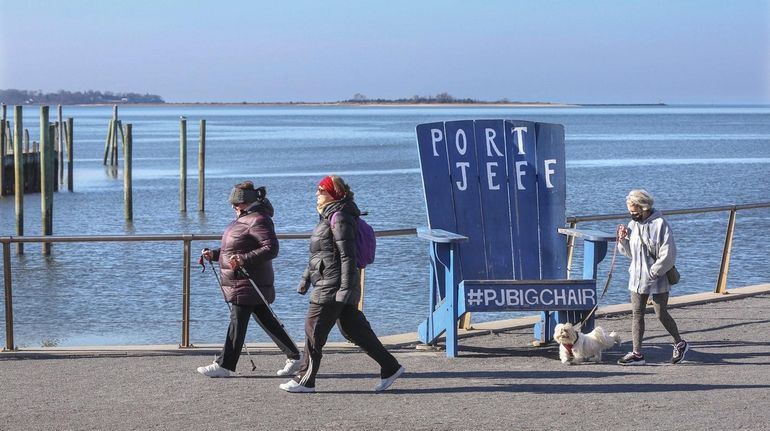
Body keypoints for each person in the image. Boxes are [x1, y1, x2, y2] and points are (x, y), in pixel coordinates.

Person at [279, 175, 405, 393]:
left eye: (321, 190)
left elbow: (346, 255)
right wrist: (305, 278)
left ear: (333, 194)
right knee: (353, 330)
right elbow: (322, 253)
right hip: (331, 280)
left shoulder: (340, 217)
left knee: (313, 328)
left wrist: (345, 289)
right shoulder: (330, 215)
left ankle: (305, 380)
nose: (316, 194)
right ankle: (390, 366)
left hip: (334, 283)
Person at [197, 181, 302, 377]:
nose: (233, 207)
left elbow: (271, 248)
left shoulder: (259, 219)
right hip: (243, 280)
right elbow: (235, 249)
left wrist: (243, 260)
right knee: (265, 319)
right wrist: (215, 254)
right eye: (232, 204)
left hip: (248, 280)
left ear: (247, 203)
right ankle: (295, 357)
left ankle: (224, 365)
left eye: (236, 203)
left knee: (237, 321)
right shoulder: (246, 218)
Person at [616, 189, 689, 365]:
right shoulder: (632, 225)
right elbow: (630, 254)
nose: (631, 214)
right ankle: (637, 353)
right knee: (637, 314)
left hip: (658, 277)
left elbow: (669, 253)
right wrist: (623, 240)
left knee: (660, 313)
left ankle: (679, 343)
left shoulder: (661, 224)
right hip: (637, 277)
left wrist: (654, 272)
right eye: (630, 211)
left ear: (644, 207)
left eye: (634, 211)